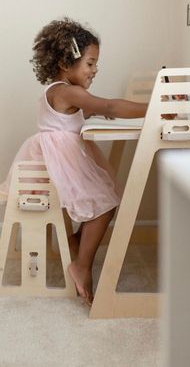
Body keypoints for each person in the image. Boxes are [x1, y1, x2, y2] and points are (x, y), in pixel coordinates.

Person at [0, 17, 148, 305]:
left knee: (104, 200)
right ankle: (81, 263)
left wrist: (88, 114)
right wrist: (152, 104)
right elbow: (108, 105)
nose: (95, 70)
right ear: (67, 63)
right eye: (90, 63)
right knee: (105, 202)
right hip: (58, 162)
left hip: (55, 157)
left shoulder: (59, 91)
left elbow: (69, 118)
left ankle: (77, 246)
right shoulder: (68, 91)